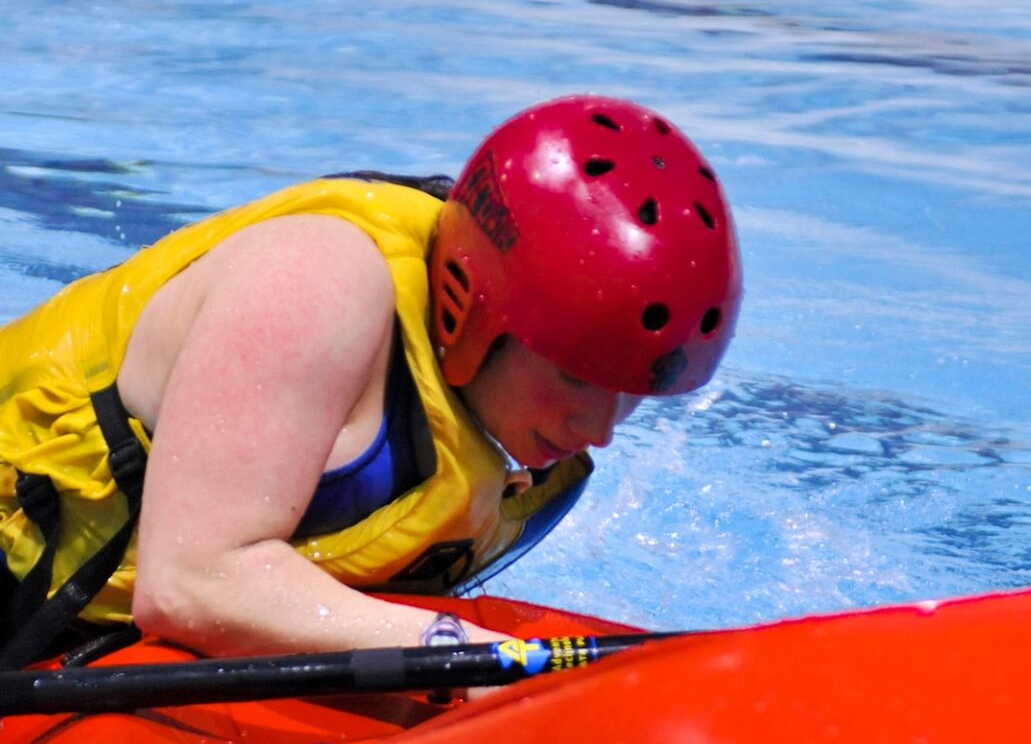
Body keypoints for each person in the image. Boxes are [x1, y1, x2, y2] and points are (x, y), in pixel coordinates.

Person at [0, 96, 742, 669]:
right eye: (577, 376)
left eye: (631, 391)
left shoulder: (516, 442)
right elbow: (192, 585)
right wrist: (454, 648)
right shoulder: (316, 287)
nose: (603, 429)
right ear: (476, 309)